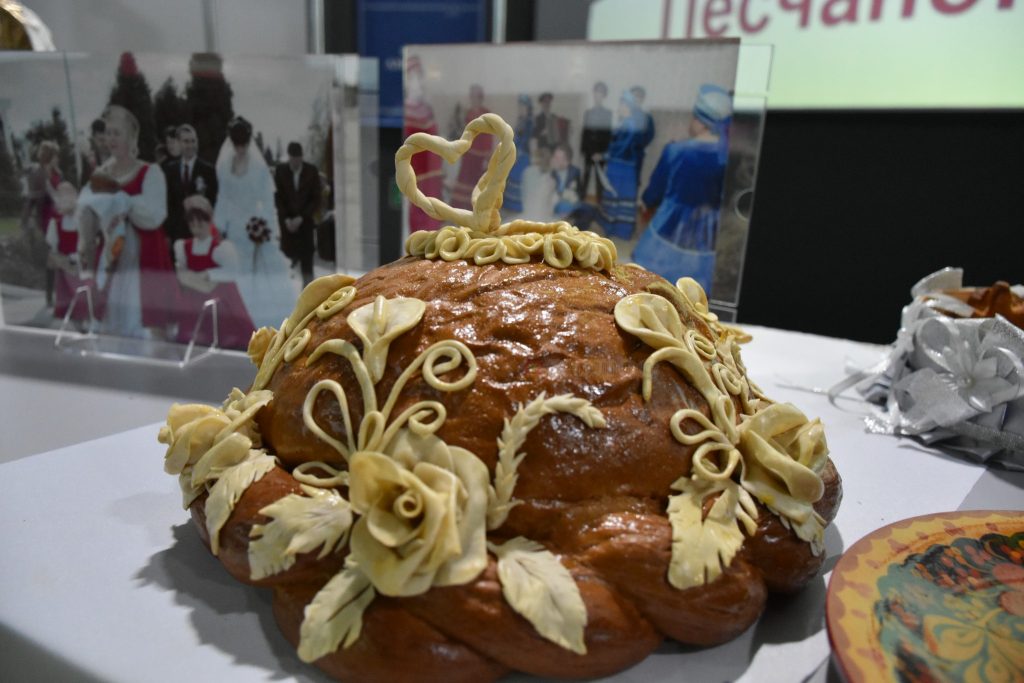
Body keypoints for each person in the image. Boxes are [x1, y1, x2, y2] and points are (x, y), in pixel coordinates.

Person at [76, 104, 174, 339]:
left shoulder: (149, 172)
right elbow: (86, 214)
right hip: (112, 257)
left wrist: (123, 201)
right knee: (111, 321)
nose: (111, 139)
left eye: (117, 133)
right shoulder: (100, 175)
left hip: (143, 256)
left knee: (144, 325)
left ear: (131, 138)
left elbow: (154, 215)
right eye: (108, 133)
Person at [631, 85, 732, 292]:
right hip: (708, 232)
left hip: (670, 226)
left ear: (701, 121)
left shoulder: (676, 151)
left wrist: (646, 201)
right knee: (697, 288)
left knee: (655, 281)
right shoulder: (727, 157)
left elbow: (655, 191)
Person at [214, 116, 298, 329]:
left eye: (243, 143)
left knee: (260, 273)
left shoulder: (258, 167)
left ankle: (263, 322)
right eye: (236, 144)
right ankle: (239, 319)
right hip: (234, 228)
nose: (240, 148)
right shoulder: (225, 165)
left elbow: (267, 200)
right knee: (238, 272)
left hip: (255, 225)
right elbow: (223, 197)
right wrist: (219, 226)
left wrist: (267, 227)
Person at [173, 195, 254, 350]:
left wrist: (208, 274)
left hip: (220, 298)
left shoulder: (220, 248)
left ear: (209, 221)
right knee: (193, 336)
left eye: (201, 221)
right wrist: (188, 277)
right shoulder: (184, 247)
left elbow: (233, 272)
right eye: (192, 221)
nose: (196, 225)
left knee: (228, 335)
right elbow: (181, 270)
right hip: (194, 299)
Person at [597, 91, 650, 240]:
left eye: (621, 104)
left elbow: (622, 146)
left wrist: (605, 156)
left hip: (622, 167)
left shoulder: (629, 124)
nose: (618, 107)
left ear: (627, 106)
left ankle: (620, 230)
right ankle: (613, 228)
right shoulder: (625, 122)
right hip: (619, 166)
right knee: (617, 196)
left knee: (618, 195)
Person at [163, 124, 218, 255]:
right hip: (177, 232)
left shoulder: (208, 171)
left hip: (201, 231)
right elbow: (167, 203)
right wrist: (167, 233)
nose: (190, 145)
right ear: (178, 143)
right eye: (186, 141)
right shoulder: (169, 170)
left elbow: (214, 202)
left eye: (193, 141)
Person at [403, 55, 442, 231]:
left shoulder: (427, 108)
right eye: (412, 78)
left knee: (433, 213)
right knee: (418, 215)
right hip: (415, 174)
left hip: (432, 172)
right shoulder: (405, 111)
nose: (417, 83)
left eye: (419, 77)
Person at [275, 141, 321, 288]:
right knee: (287, 261)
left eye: (298, 158)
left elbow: (316, 198)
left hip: (305, 224)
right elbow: (278, 197)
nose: (295, 162)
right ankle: (285, 291)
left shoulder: (311, 171)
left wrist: (302, 217)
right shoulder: (281, 171)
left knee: (307, 263)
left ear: (301, 157)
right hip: (288, 226)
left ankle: (308, 291)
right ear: (289, 157)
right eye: (293, 159)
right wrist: (286, 219)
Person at [44, 182, 91, 325]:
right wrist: (63, 262)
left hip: (82, 267)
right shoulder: (56, 223)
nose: (65, 200)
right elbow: (53, 251)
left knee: (83, 300)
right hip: (65, 269)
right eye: (61, 197)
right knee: (69, 304)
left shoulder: (83, 220)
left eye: (69, 196)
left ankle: (83, 323)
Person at [449, 84, 491, 210]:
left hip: (480, 157)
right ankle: (460, 211)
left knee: (477, 184)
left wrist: (487, 157)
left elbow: (488, 136)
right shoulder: (467, 114)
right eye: (472, 96)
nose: (473, 99)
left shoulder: (486, 114)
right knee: (464, 181)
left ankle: (475, 211)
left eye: (476, 96)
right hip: (468, 156)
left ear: (480, 97)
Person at [580, 82, 612, 203]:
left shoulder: (608, 114)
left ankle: (600, 203)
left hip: (600, 152)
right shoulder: (588, 113)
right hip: (589, 151)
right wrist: (584, 151)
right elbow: (585, 133)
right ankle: (581, 201)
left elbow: (608, 135)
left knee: (600, 179)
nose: (597, 95)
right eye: (596, 92)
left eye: (601, 93)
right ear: (593, 94)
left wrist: (602, 153)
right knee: (586, 177)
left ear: (604, 96)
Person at [503, 94, 533, 214]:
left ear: (528, 108)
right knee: (511, 176)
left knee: (520, 177)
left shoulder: (530, 123)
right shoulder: (520, 121)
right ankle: (510, 208)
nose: (521, 109)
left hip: (524, 157)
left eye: (523, 106)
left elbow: (529, 142)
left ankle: (518, 209)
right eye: (520, 106)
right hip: (517, 155)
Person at [630, 86, 656, 180]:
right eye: (633, 97)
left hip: (637, 152)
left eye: (638, 96)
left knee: (635, 177)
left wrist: (640, 145)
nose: (636, 99)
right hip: (623, 152)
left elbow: (650, 134)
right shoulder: (624, 115)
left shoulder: (646, 117)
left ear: (642, 99)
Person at [550, 143, 581, 217]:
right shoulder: (550, 171)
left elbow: (578, 194)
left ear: (567, 162)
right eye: (554, 156)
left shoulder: (574, 172)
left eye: (557, 158)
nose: (553, 160)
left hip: (566, 204)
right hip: (551, 205)